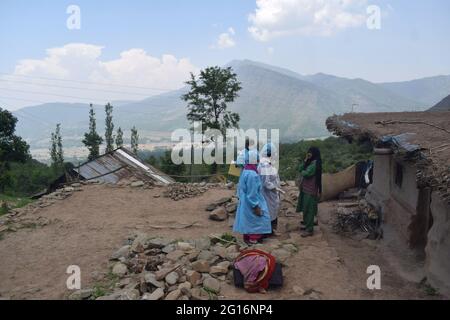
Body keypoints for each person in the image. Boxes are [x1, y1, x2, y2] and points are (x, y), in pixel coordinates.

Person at [233, 159, 272, 245]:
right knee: (258, 219)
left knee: (248, 220)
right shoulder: (252, 175)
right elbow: (252, 193)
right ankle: (253, 240)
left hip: (245, 200)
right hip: (252, 200)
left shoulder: (245, 171)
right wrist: (255, 205)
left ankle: (247, 238)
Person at [296, 147, 322, 237]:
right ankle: (307, 225)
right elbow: (300, 169)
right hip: (305, 189)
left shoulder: (314, 164)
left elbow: (307, 173)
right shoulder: (309, 162)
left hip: (311, 190)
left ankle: (309, 229)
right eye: (308, 153)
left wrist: (302, 171)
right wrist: (305, 160)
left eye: (310, 153)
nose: (309, 154)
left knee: (309, 209)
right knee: (305, 207)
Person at [258, 143, 281, 236]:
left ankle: (270, 230)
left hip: (270, 193)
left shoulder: (266, 163)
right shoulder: (265, 165)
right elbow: (266, 182)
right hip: (268, 193)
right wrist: (275, 188)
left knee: (271, 210)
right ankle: (267, 231)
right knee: (269, 211)